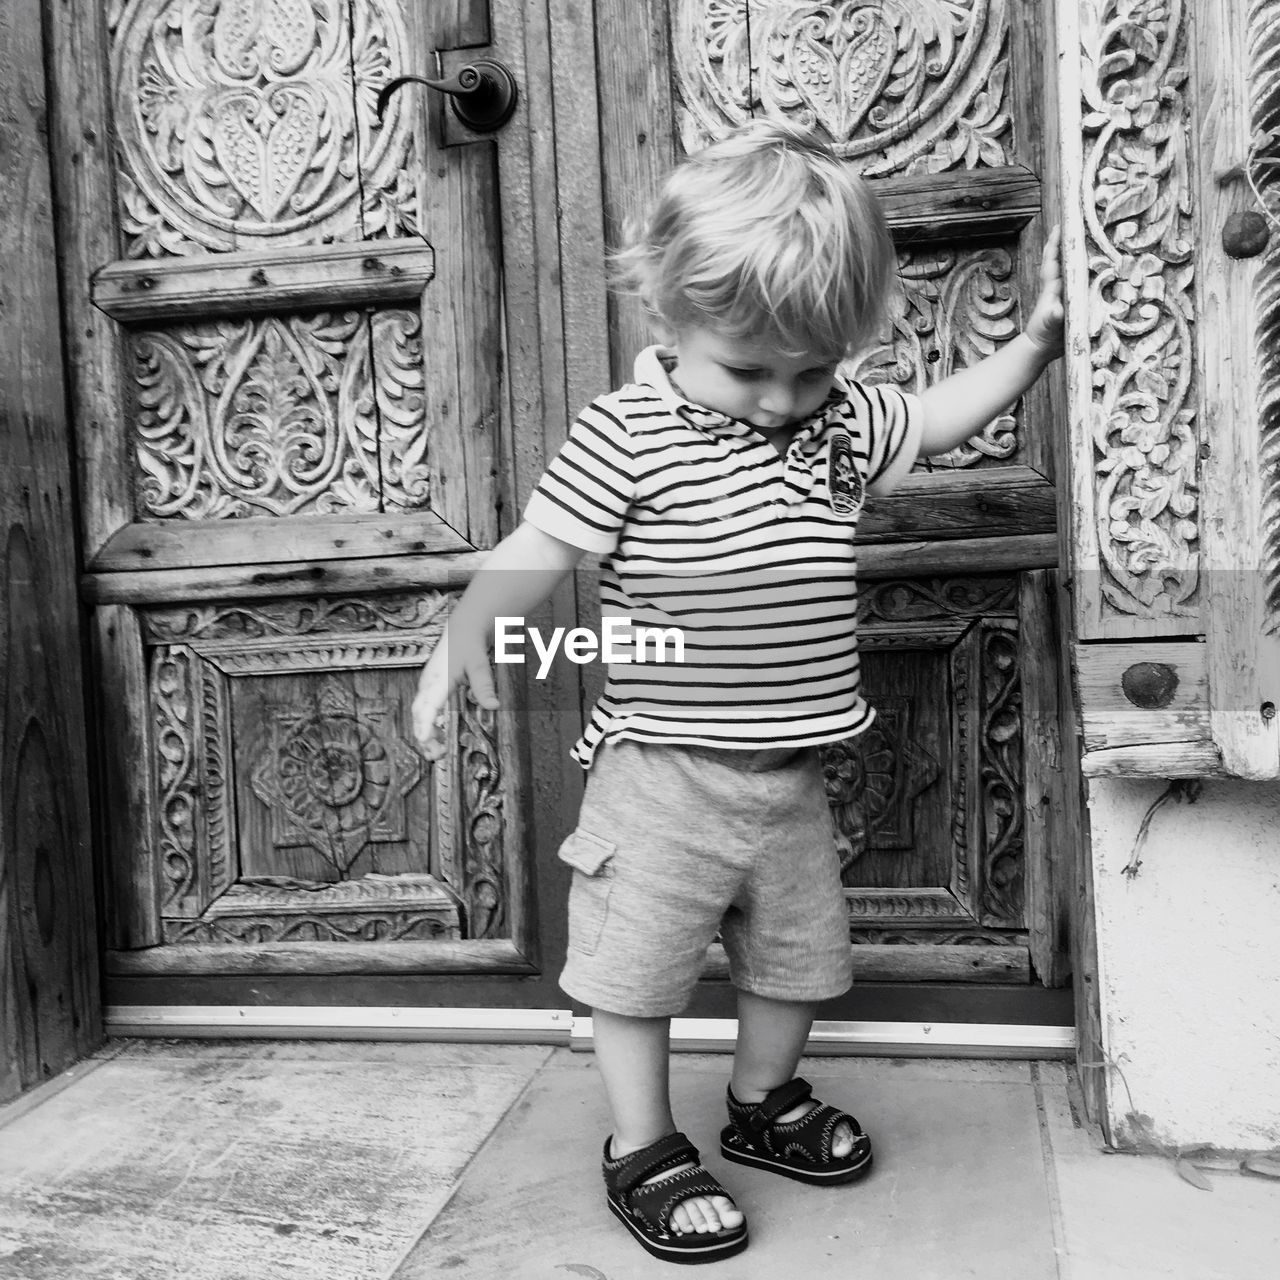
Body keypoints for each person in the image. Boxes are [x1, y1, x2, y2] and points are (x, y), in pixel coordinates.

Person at [412, 119, 1063, 1264]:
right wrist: (461, 638)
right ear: (668, 319)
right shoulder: (631, 432)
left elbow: (945, 412)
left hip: (789, 782)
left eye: (809, 368)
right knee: (635, 968)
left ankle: (762, 1101)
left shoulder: (836, 425)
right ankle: (642, 1143)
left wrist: (1035, 347)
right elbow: (536, 547)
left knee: (796, 959)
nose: (779, 397)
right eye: (748, 368)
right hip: (661, 773)